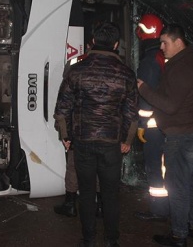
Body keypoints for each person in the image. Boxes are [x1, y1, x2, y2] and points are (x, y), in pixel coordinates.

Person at [54, 21, 138, 247]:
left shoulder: (76, 70)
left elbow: (61, 110)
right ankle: (112, 241)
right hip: (111, 144)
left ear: (92, 42)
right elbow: (132, 114)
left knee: (87, 193)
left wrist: (66, 136)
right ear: (116, 44)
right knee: (110, 194)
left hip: (83, 142)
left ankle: (88, 240)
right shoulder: (127, 74)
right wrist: (127, 141)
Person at [137, 23, 193, 247]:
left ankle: (179, 236)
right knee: (191, 183)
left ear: (178, 42)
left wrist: (143, 89)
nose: (160, 47)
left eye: (164, 42)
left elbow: (170, 105)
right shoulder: (183, 62)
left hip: (184, 137)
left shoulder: (182, 68)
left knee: (177, 186)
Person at [54, 42, 104, 219]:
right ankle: (99, 206)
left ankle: (70, 204)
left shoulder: (76, 63)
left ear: (91, 44)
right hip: (102, 127)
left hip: (78, 125)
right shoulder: (111, 66)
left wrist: (64, 133)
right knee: (99, 166)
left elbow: (64, 102)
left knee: (73, 166)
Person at [132, 14, 169, 222]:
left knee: (155, 168)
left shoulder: (149, 60)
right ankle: (168, 207)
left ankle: (159, 210)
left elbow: (144, 95)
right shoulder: (162, 56)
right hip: (166, 122)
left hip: (154, 128)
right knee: (165, 167)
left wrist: (141, 124)